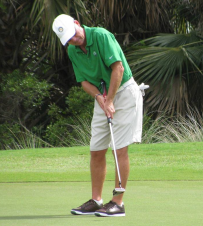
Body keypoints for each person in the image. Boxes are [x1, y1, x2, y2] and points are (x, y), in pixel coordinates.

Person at [52, 14, 147, 217]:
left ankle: (118, 203)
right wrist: (99, 97)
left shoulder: (101, 36)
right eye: (68, 39)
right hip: (103, 97)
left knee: (119, 150)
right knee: (96, 150)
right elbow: (84, 81)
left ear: (77, 24)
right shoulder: (72, 50)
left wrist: (110, 100)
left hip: (124, 93)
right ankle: (96, 200)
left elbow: (118, 68)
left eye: (74, 35)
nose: (73, 40)